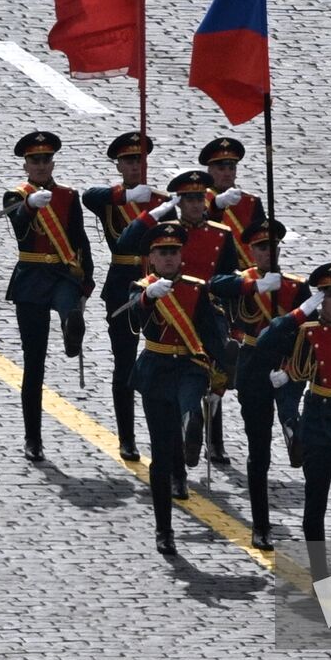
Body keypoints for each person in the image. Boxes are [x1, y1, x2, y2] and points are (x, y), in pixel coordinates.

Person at [118, 170, 239, 489]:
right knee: (168, 417)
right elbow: (126, 243)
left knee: (201, 390)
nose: (196, 204)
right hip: (163, 333)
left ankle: (203, 435)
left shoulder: (220, 234)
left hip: (202, 317)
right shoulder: (159, 239)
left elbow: (228, 277)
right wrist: (153, 213)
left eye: (201, 197)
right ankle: (180, 465)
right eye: (189, 198)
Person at [258, 263, 331, 549]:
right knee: (316, 495)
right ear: (319, 298)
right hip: (318, 416)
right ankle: (317, 565)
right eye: (328, 295)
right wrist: (298, 314)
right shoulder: (306, 332)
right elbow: (267, 343)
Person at [127, 222, 228, 556]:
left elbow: (211, 335)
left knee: (189, 405)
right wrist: (145, 298)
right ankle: (164, 528)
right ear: (152, 259)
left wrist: (221, 374)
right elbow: (133, 322)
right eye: (162, 253)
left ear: (181, 255)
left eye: (173, 252)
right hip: (156, 369)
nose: (169, 258)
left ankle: (191, 426)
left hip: (189, 366)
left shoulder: (198, 289)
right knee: (159, 452)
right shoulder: (141, 287)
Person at [209, 219, 309, 550]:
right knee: (259, 450)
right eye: (262, 248)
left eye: (273, 247)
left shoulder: (295, 287)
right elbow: (214, 286)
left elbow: (309, 332)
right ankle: (261, 523)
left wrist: (292, 367)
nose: (269, 252)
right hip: (251, 367)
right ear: (251, 251)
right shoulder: (242, 281)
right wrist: (255, 287)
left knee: (298, 425)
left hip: (285, 366)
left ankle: (293, 428)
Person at [1, 131, 94, 463]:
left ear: (53, 163)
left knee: (70, 308)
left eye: (45, 160)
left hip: (62, 274)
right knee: (34, 362)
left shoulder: (69, 196)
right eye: (34, 160)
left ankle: (72, 329)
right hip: (31, 278)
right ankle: (33, 438)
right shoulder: (14, 195)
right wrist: (28, 206)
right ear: (26, 165)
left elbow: (80, 241)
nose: (40, 165)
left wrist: (87, 284)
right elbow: (20, 228)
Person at [81, 131, 167, 462]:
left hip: (158, 286)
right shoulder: (111, 200)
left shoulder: (160, 201)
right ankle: (127, 437)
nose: (136, 166)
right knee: (125, 364)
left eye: (140, 160)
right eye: (129, 161)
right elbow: (87, 196)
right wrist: (125, 195)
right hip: (121, 285)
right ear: (119, 166)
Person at [199, 136, 267, 270]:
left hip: (246, 271)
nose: (227, 173)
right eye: (221, 169)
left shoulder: (251, 201)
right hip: (213, 267)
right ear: (210, 170)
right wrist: (216, 206)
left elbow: (261, 239)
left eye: (231, 168)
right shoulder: (198, 199)